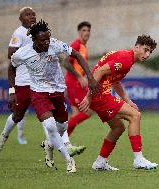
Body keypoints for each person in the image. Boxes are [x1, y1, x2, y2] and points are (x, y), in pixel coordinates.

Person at [9, 20, 100, 173]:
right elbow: (11, 67)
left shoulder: (55, 44)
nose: (46, 42)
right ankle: (69, 161)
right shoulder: (22, 53)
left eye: (48, 38)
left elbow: (76, 55)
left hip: (57, 92)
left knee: (61, 127)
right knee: (50, 126)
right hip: (38, 93)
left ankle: (49, 144)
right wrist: (12, 91)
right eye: (42, 40)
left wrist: (90, 77)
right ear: (34, 40)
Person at [78, 34, 158, 171]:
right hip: (99, 95)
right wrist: (88, 97)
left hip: (100, 94)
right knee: (135, 116)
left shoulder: (126, 58)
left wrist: (127, 100)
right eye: (145, 49)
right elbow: (99, 71)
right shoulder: (126, 59)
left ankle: (100, 163)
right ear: (136, 47)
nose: (147, 54)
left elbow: (114, 80)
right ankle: (139, 159)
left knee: (118, 128)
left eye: (150, 51)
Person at [0, 7, 36, 149]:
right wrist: (12, 90)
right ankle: (5, 135)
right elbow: (10, 54)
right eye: (27, 14)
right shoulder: (19, 33)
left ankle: (60, 145)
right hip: (23, 81)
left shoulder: (39, 32)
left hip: (39, 81)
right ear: (20, 18)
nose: (31, 16)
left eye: (33, 14)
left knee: (49, 114)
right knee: (18, 114)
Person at [64, 21, 93, 136]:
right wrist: (79, 77)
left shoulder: (83, 46)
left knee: (75, 115)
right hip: (74, 83)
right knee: (88, 111)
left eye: (88, 30)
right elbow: (65, 62)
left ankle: (64, 143)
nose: (87, 33)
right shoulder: (76, 45)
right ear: (79, 32)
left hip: (75, 83)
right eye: (84, 30)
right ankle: (57, 137)